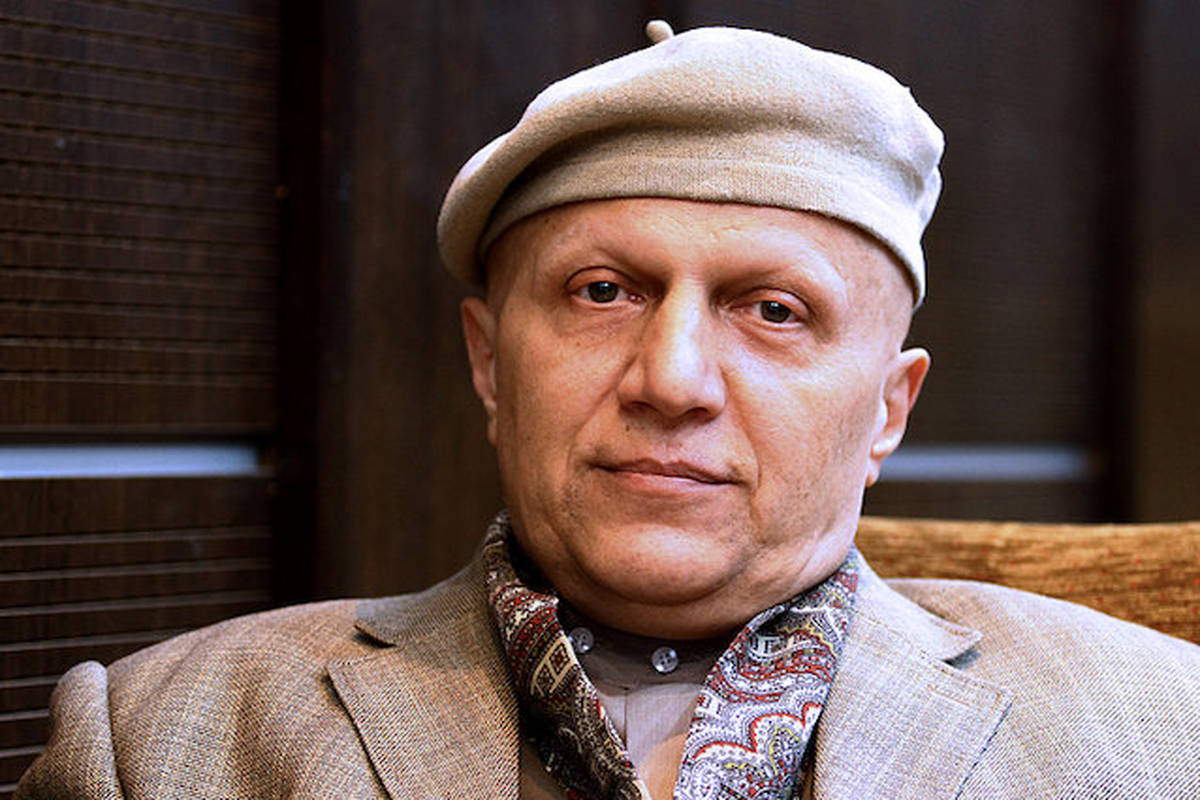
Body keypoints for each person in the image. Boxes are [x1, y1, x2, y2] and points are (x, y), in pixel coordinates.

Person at [18, 21, 1200, 800]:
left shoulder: (1163, 729)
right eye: (602, 291)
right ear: (491, 360)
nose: (671, 379)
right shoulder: (162, 741)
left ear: (890, 409)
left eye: (774, 309)